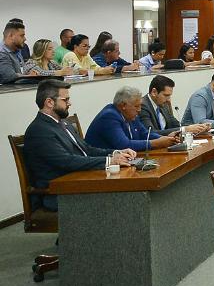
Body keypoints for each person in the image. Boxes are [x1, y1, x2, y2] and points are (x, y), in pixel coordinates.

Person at [22, 80, 136, 211]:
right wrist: (110, 161)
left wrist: (116, 153)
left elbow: (87, 149)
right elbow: (67, 161)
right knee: (122, 197)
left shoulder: (63, 123)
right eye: (66, 100)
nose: (69, 103)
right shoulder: (39, 130)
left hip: (79, 182)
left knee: (127, 190)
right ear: (49, 102)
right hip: (58, 192)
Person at [85, 86, 180, 151]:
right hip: (102, 166)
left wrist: (166, 139)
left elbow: (145, 134)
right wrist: (156, 143)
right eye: (136, 106)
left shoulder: (130, 115)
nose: (139, 110)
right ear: (123, 105)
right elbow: (124, 145)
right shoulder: (109, 116)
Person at [139, 74, 210, 135]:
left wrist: (198, 127)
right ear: (154, 92)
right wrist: (185, 129)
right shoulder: (143, 105)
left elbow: (175, 125)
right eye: (166, 95)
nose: (168, 99)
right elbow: (151, 133)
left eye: (169, 96)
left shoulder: (163, 104)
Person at [0, 20, 28, 84]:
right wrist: (29, 76)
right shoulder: (2, 53)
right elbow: (9, 77)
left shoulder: (16, 50)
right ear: (11, 36)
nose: (25, 39)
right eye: (22, 35)